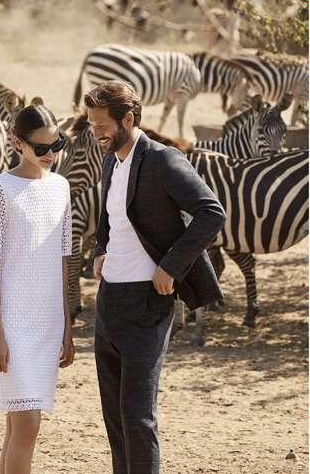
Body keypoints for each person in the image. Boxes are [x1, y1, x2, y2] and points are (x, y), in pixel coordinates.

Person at [84, 80, 226, 474]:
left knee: (137, 417)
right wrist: (100, 249)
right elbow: (110, 216)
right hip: (108, 304)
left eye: (101, 125)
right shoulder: (112, 159)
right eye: (92, 124)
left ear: (127, 119)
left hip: (148, 305)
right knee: (114, 419)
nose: (95, 132)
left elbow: (211, 212)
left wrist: (171, 267)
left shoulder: (164, 159)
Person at [0, 101, 75, 474]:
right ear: (19, 143)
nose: (51, 154)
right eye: (41, 148)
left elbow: (62, 262)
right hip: (13, 325)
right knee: (28, 425)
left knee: (16, 427)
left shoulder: (62, 187)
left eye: (57, 145)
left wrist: (67, 328)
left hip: (49, 324)